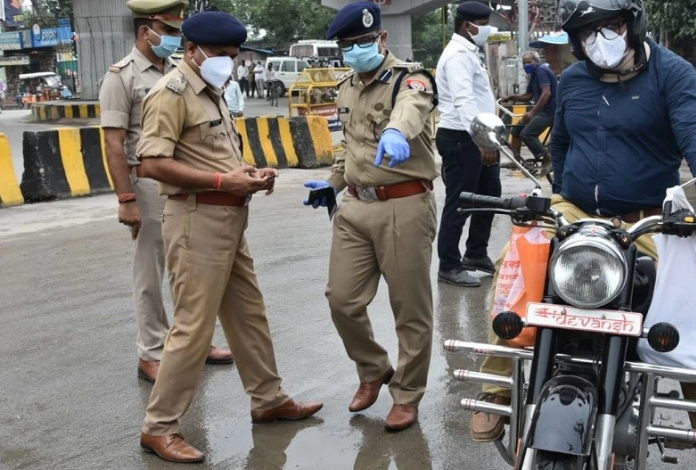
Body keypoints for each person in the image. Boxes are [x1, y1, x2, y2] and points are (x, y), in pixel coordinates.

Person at [472, 2, 696, 470]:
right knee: (515, 266)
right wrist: (555, 191)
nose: (601, 38)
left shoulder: (673, 74)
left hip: (648, 218)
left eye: (612, 26)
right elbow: (562, 140)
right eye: (588, 31)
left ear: (632, 25)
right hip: (576, 208)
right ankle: (496, 386)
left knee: (690, 314)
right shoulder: (575, 80)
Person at [136, 11, 323, 462]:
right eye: (221, 55)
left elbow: (212, 155)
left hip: (228, 222)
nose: (229, 63)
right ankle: (158, 427)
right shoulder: (171, 93)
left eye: (234, 56)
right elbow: (152, 163)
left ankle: (269, 399)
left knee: (249, 316)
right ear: (193, 50)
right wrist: (223, 184)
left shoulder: (212, 90)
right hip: (196, 220)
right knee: (193, 329)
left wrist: (248, 174)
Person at [303, 1, 438, 431]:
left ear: (381, 38)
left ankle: (407, 394)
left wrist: (398, 131)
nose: (355, 50)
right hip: (355, 207)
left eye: (363, 42)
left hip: (404, 204)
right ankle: (374, 368)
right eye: (347, 45)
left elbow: (411, 110)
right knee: (341, 300)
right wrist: (334, 181)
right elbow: (349, 147)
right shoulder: (345, 88)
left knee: (409, 309)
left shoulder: (410, 79)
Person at [98, 0, 233, 385]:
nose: (176, 40)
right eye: (171, 32)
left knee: (188, 267)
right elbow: (114, 144)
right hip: (147, 183)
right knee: (150, 270)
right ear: (147, 31)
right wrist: (126, 199)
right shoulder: (120, 78)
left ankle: (193, 343)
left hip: (183, 178)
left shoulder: (177, 72)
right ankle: (152, 351)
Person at [435, 1, 501, 288]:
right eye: (484, 23)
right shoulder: (457, 56)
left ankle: (475, 252)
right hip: (462, 137)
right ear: (468, 26)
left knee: (489, 194)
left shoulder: (470, 52)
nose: (487, 28)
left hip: (477, 135)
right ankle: (449, 264)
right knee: (460, 203)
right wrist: (481, 139)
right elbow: (464, 100)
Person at [503, 51, 558, 176]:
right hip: (542, 111)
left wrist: (532, 113)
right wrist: (511, 96)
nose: (526, 65)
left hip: (550, 112)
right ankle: (516, 160)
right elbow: (529, 95)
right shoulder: (533, 74)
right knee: (515, 131)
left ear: (537, 62)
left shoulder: (541, 71)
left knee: (527, 134)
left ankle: (548, 158)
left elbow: (546, 93)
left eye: (529, 62)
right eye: (524, 63)